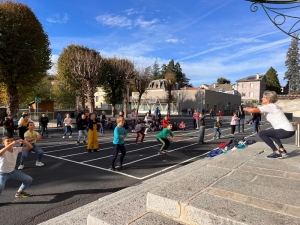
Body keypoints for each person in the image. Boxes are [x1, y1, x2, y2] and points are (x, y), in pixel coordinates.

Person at [244, 91, 295, 158]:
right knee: (272, 132)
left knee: (262, 133)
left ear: (268, 99)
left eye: (263, 97)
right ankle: (282, 150)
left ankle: (276, 152)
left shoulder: (270, 106)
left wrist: (245, 108)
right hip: (289, 130)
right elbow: (259, 110)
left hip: (285, 131)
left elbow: (252, 110)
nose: (262, 98)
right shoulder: (273, 106)